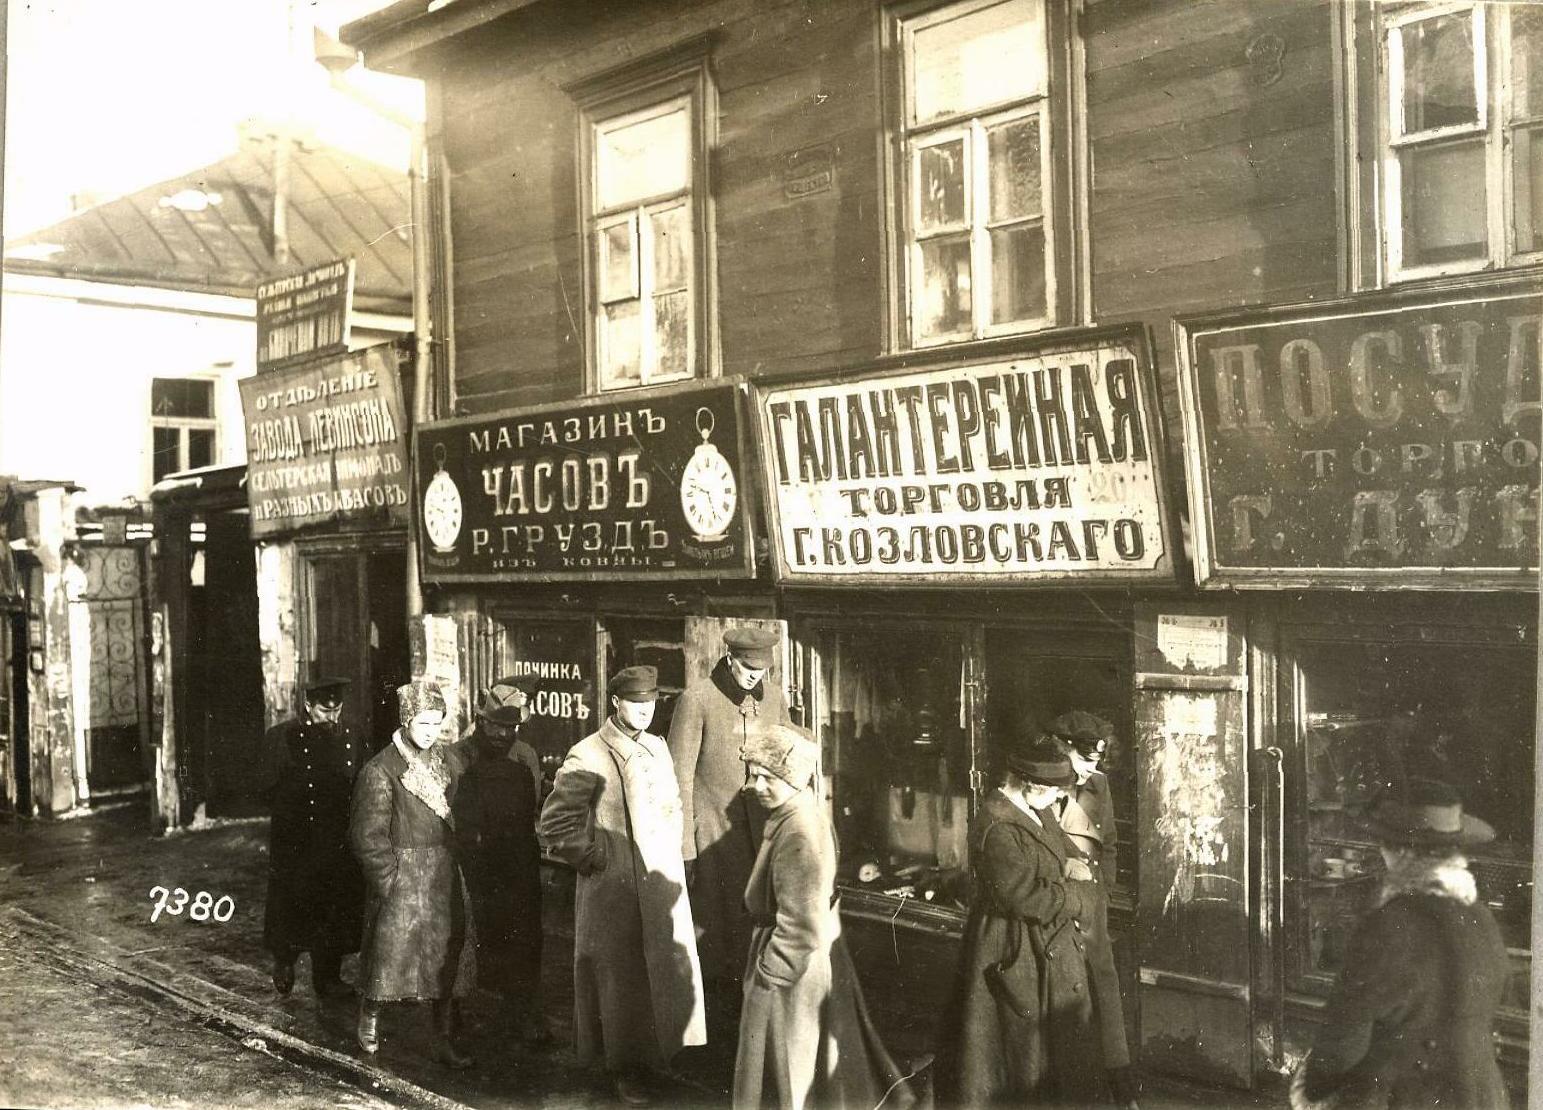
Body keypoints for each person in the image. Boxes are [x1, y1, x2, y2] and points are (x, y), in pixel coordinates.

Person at [539, 665, 706, 1107]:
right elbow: (555, 823)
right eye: (636, 702)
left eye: (651, 702)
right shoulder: (588, 754)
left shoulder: (657, 747)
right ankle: (623, 1068)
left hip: (658, 881)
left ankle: (657, 1057)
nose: (646, 711)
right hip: (614, 887)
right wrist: (594, 857)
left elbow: (673, 804)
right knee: (620, 979)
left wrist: (675, 854)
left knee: (660, 972)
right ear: (615, 702)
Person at [733, 722, 922, 1110]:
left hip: (792, 976)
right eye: (754, 775)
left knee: (792, 1067)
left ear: (794, 779)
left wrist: (770, 975)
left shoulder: (798, 832)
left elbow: (800, 925)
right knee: (812, 1069)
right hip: (807, 965)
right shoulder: (795, 814)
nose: (757, 785)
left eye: (768, 778)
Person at [1292, 779, 1509, 1110]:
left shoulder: (1389, 926)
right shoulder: (1481, 917)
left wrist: (1312, 1088)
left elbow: (1343, 1043)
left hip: (1405, 1098)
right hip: (1480, 1097)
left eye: (1384, 844)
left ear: (1399, 851)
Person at [940, 733, 1096, 1108]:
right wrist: (1077, 897)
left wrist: (1072, 864)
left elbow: (1062, 849)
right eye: (1054, 792)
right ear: (1029, 784)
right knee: (1018, 1052)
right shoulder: (996, 826)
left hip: (1044, 937)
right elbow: (1022, 896)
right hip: (1011, 944)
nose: (1058, 800)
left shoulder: (1036, 808)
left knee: (1050, 1048)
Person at [349, 680, 476, 1067]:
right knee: (389, 957)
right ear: (405, 721)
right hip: (402, 878)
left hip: (443, 875)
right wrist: (389, 880)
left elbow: (463, 811)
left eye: (437, 724)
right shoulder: (381, 770)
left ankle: (443, 1035)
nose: (431, 732)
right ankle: (371, 1015)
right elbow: (367, 836)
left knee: (445, 956)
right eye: (424, 724)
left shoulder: (449, 761)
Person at [669, 625, 790, 1000]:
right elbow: (678, 778)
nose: (755, 676)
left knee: (757, 927)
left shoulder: (773, 698)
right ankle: (714, 1015)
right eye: (748, 668)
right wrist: (686, 847)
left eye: (762, 670)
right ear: (730, 658)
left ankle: (747, 1007)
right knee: (715, 934)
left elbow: (787, 757)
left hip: (761, 833)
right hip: (713, 839)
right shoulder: (697, 699)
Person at [451, 673, 551, 1046]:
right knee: (469, 937)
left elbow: (532, 809)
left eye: (510, 727)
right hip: (474, 863)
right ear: (481, 721)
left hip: (517, 864)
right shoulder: (459, 757)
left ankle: (520, 1011)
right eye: (495, 725)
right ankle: (455, 1014)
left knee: (523, 938)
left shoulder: (525, 758)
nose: (502, 734)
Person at [1047, 710, 1139, 1109]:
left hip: (1092, 905)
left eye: (1096, 761)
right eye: (1084, 759)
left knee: (1104, 988)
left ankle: (1121, 1088)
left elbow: (1109, 843)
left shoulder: (1098, 784)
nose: (1090, 768)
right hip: (1056, 906)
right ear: (1061, 746)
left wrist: (1105, 889)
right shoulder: (1042, 787)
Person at [258, 676, 366, 1000]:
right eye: (323, 710)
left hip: (336, 836)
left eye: (336, 710)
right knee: (293, 904)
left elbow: (361, 781)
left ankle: (328, 978)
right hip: (297, 839)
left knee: (333, 907)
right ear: (308, 705)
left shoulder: (352, 736)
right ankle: (285, 960)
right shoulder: (282, 737)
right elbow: (266, 788)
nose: (331, 717)